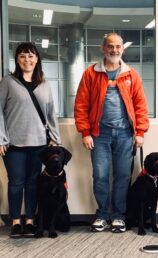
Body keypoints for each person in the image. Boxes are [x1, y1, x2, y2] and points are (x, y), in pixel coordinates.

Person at [74, 32, 149, 233]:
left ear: (122, 49)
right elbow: (81, 105)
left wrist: (140, 131)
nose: (114, 50)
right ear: (103, 48)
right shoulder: (91, 73)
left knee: (123, 176)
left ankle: (118, 216)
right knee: (100, 175)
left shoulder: (131, 74)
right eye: (110, 46)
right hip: (99, 135)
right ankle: (102, 215)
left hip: (125, 135)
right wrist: (85, 132)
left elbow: (140, 105)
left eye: (118, 46)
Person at [0, 42, 61, 238]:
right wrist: (1, 139)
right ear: (17, 60)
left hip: (39, 144)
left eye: (31, 56)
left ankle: (31, 220)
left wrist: (54, 137)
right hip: (14, 143)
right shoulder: (8, 82)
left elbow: (51, 112)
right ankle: (16, 221)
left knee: (33, 183)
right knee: (16, 182)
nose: (27, 60)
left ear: (37, 59)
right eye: (23, 56)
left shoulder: (44, 84)